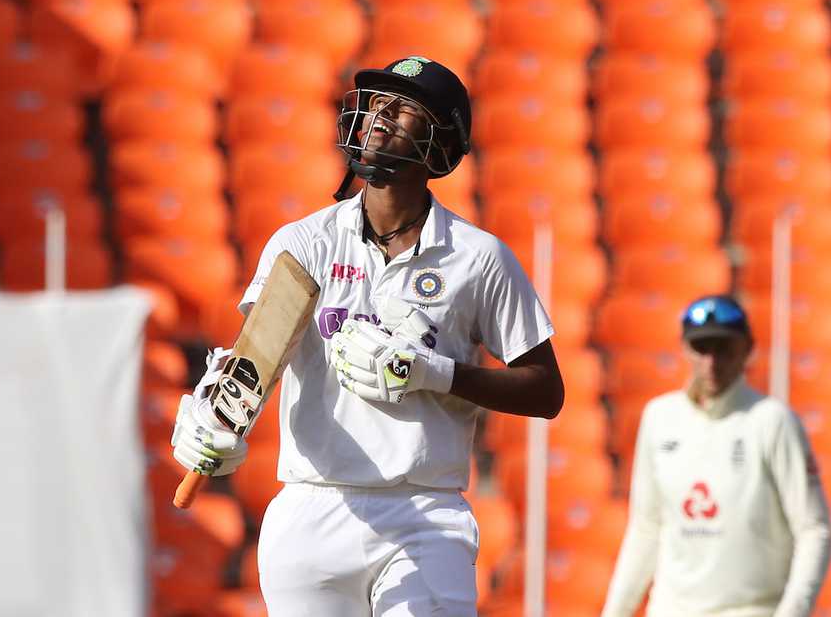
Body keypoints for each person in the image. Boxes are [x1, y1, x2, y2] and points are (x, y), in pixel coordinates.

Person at [171, 55, 564, 615]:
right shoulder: (304, 242)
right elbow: (257, 356)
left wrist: (433, 373)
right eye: (377, 105)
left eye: (403, 109)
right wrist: (213, 422)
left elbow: (546, 391)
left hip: (425, 513)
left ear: (440, 140)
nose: (381, 118)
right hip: (312, 508)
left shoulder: (479, 259)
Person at [601, 294, 831, 617]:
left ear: (747, 349)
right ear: (684, 348)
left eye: (723, 348)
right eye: (701, 347)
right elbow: (646, 527)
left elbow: (813, 528)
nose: (711, 362)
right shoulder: (660, 417)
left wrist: (793, 611)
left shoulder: (771, 420)